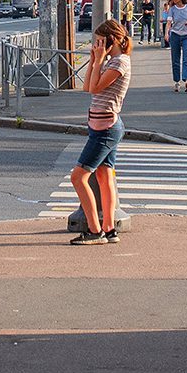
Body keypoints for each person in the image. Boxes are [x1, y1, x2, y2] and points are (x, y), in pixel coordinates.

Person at [70, 18, 133, 245]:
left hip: (106, 127)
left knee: (78, 177)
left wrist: (99, 61)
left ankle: (94, 231)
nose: (96, 45)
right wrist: (94, 60)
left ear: (111, 40)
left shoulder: (120, 63)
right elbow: (88, 87)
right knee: (104, 176)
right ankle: (109, 228)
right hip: (100, 125)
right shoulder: (109, 61)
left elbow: (96, 87)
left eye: (99, 41)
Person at [162, 0, 187, 92]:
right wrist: (166, 33)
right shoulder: (172, 9)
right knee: (175, 59)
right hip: (175, 35)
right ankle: (177, 81)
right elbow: (168, 23)